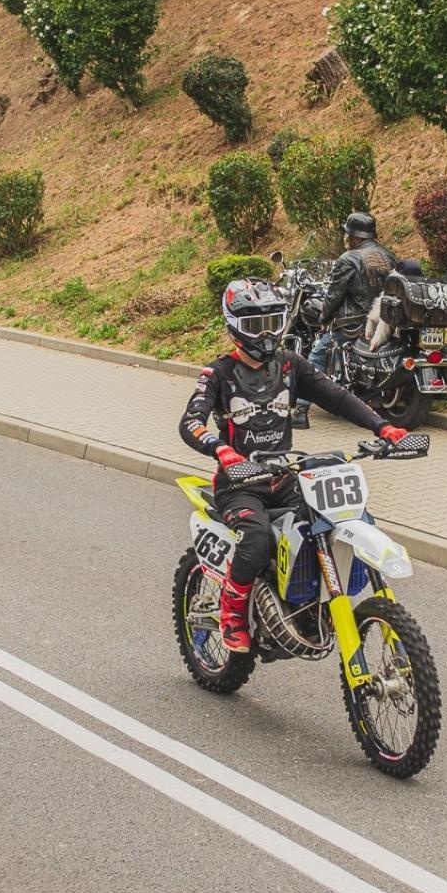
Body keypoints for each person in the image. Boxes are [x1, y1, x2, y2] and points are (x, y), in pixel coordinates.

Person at [179, 278, 408, 653]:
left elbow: (337, 397)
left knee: (337, 518)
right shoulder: (218, 373)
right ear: (234, 326)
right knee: (254, 540)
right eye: (255, 325)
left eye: (273, 321)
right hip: (238, 484)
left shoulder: (291, 364)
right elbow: (190, 422)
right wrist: (221, 450)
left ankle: (308, 599)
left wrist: (383, 427)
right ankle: (233, 614)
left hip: (284, 477)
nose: (266, 334)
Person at [291, 212, 398, 429]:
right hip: (385, 321)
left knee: (317, 354)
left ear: (354, 236)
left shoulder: (348, 259)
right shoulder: (389, 257)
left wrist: (324, 318)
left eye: (348, 234)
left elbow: (334, 295)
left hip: (354, 324)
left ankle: (301, 411)